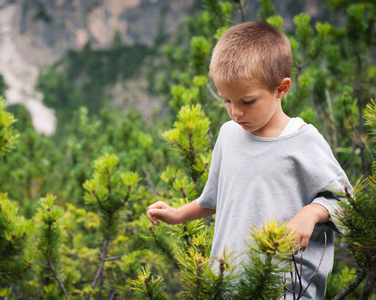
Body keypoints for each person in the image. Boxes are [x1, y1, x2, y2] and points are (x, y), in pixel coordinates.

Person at [147, 21, 351, 299]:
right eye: (227, 101)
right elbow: (216, 199)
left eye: (247, 101)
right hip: (226, 284)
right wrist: (177, 215)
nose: (235, 113)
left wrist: (311, 213)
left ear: (281, 88)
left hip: (285, 289)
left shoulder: (304, 141)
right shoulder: (228, 135)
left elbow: (347, 201)